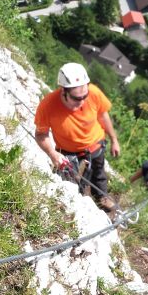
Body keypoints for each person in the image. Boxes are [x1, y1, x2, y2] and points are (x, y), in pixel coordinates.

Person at [34, 62, 120, 217]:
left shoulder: (93, 93)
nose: (82, 102)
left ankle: (102, 196)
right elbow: (41, 134)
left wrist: (114, 139)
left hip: (95, 145)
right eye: (76, 98)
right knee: (72, 183)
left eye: (84, 96)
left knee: (98, 173)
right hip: (68, 152)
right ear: (64, 91)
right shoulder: (48, 105)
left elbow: (103, 115)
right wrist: (53, 154)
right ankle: (78, 202)